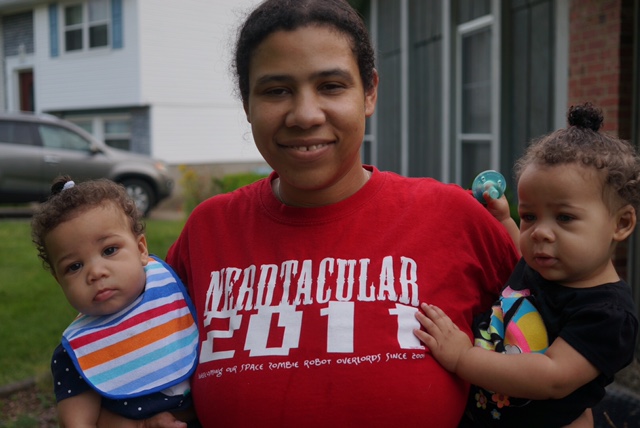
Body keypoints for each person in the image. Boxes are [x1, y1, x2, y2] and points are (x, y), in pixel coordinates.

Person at [103, 0, 519, 426]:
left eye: (331, 86)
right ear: (247, 103)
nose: (305, 115)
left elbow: (557, 332)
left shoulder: (452, 219)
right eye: (276, 90)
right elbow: (125, 353)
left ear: (369, 92)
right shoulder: (208, 233)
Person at [414, 103, 640, 427]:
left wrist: (463, 357)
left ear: (621, 223)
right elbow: (522, 258)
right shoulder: (544, 265)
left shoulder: (608, 315)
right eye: (530, 216)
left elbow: (551, 375)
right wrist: (503, 220)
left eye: (564, 217)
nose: (540, 233)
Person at [30, 176, 199, 427]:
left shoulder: (177, 293)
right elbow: (78, 424)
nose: (96, 272)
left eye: (109, 250)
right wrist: (141, 426)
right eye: (74, 266)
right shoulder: (77, 353)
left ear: (141, 249)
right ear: (59, 281)